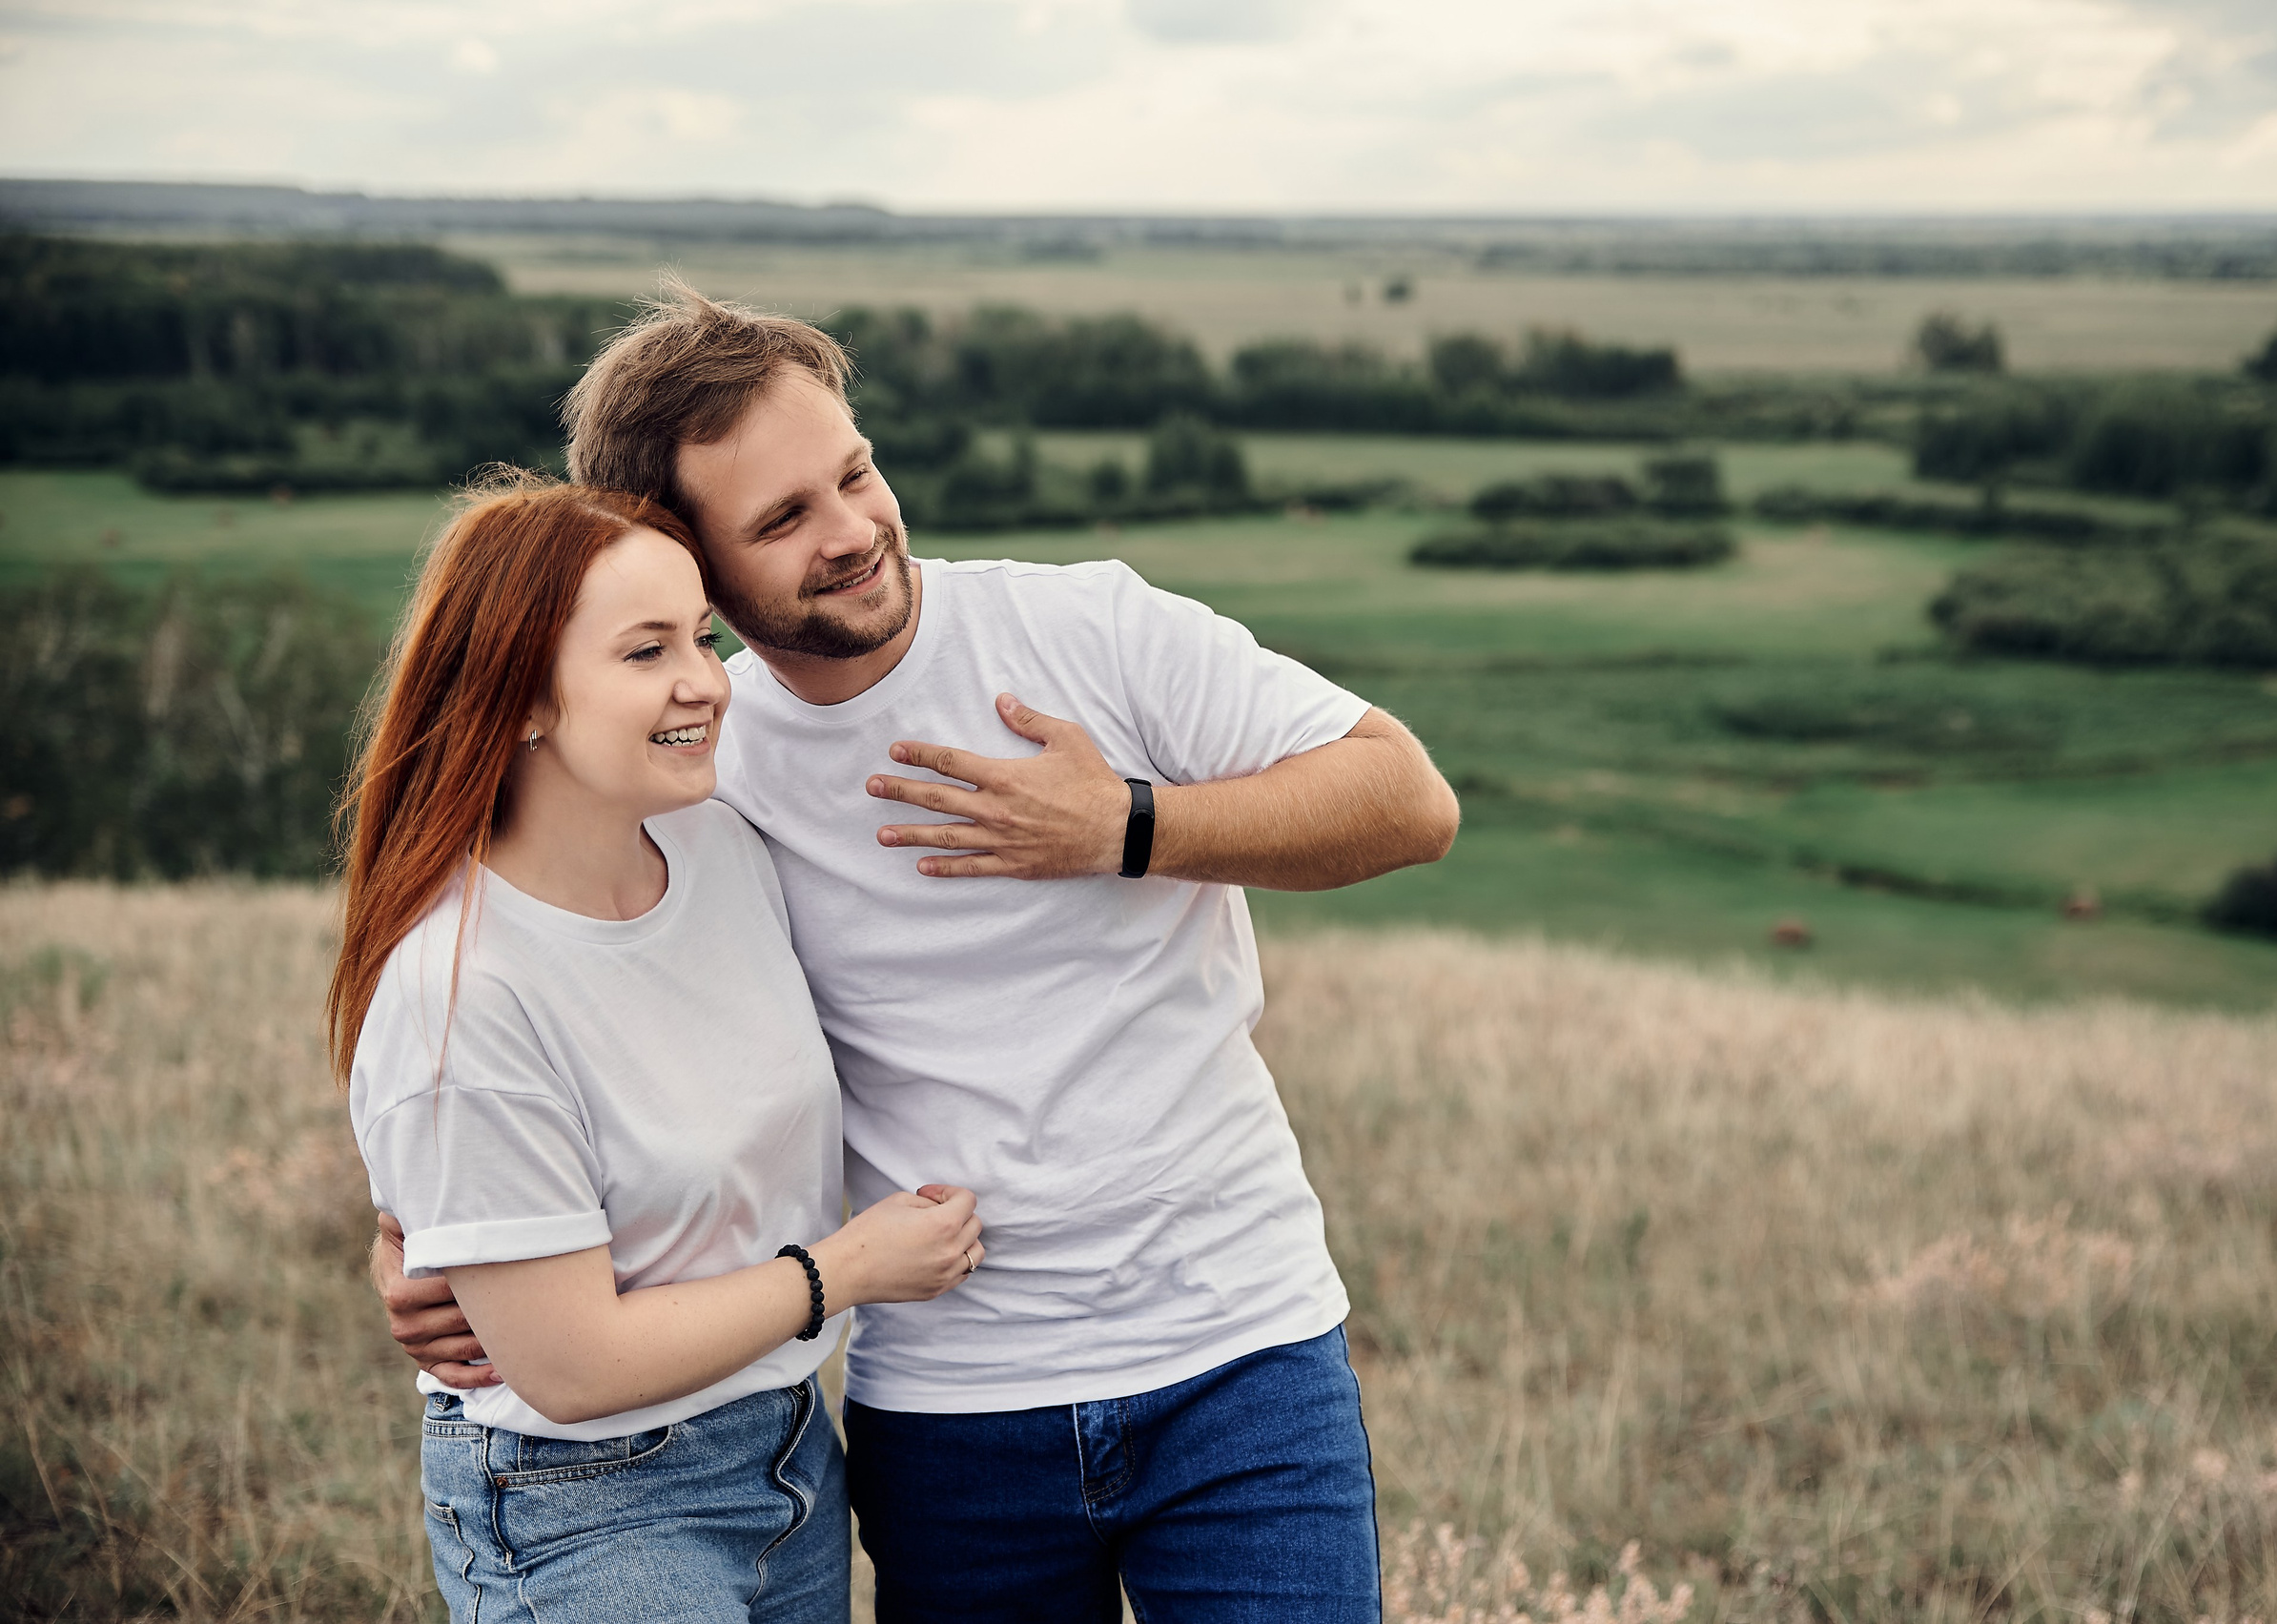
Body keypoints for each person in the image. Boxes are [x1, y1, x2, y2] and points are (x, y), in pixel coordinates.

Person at [374, 286, 1463, 1621]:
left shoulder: (1090, 629)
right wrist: (423, 1232)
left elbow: (1408, 800)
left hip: (1242, 1348)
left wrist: (1127, 825)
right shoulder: (699, 766)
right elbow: (541, 991)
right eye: (782, 518)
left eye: (854, 473)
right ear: (685, 555)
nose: (851, 530)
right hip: (952, 1403)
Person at [334, 477, 984, 1623]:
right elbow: (574, 1367)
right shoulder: (463, 993)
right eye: (646, 651)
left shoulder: (721, 847)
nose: (706, 681)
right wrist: (846, 1268)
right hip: (586, 1505)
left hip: (788, 1452)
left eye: (702, 637)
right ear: (519, 698)